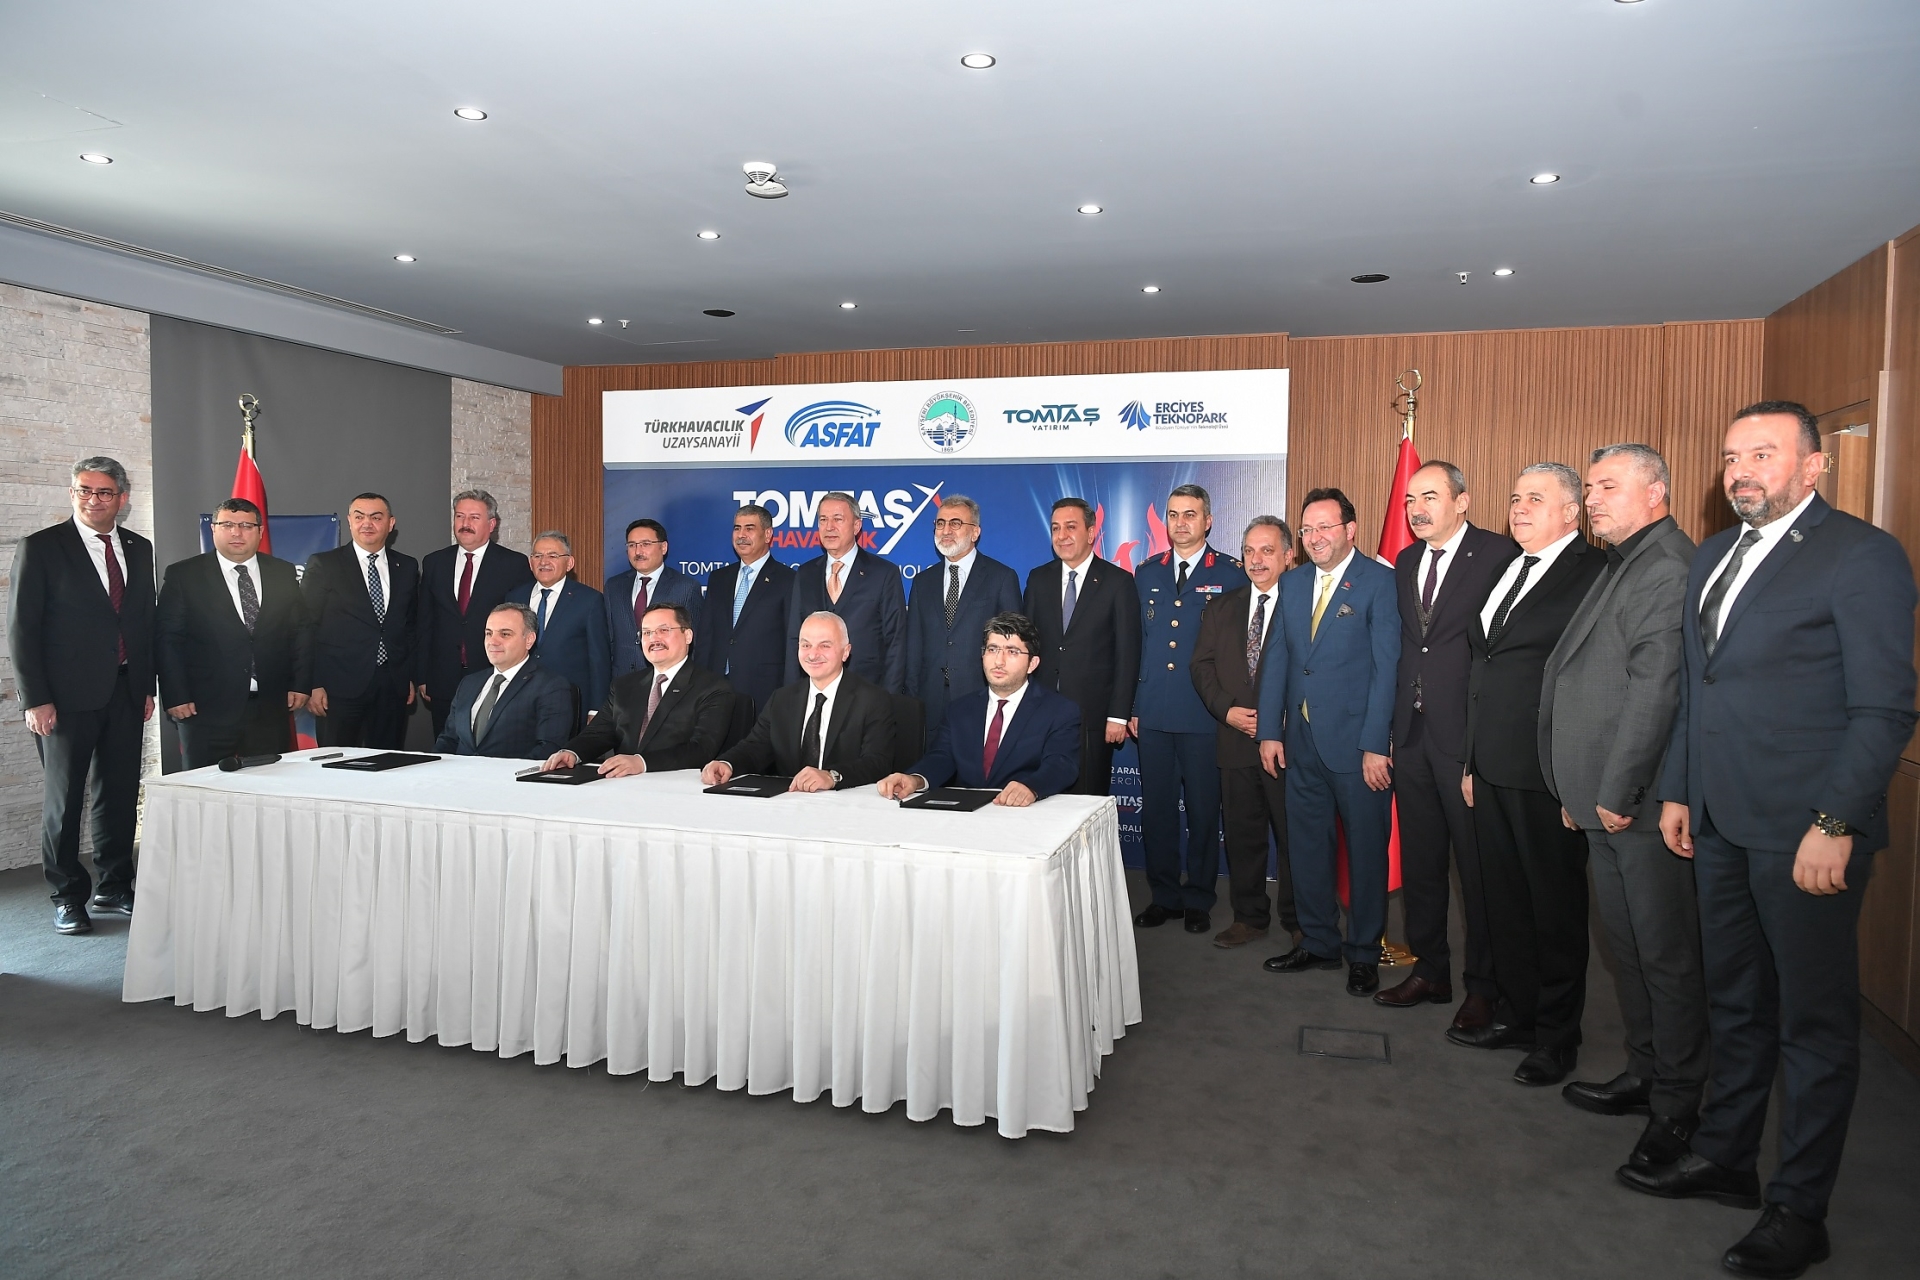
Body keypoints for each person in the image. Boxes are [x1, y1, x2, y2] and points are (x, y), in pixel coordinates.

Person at [1625, 402, 1918, 1280]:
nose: (1741, 471)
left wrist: (1836, 823)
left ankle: (1800, 1209)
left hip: (1805, 833)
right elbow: (1701, 689)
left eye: (1763, 453)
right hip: (1717, 820)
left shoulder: (1861, 555)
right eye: (1731, 456)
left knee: (1813, 1025)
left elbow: (1884, 709)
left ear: (1814, 466)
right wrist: (1679, 789)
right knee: (1737, 1002)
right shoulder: (1715, 554)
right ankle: (1726, 1158)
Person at [1538, 444, 1707, 1173]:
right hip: (1603, 799)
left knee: (1665, 957)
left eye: (1607, 486)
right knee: (1630, 950)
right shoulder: (1626, 560)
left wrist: (1614, 792)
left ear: (1656, 492)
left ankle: (1678, 1106)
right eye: (1590, 487)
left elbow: (1654, 691)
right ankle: (1645, 1073)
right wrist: (1579, 790)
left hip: (1635, 802)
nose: (1593, 499)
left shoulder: (1666, 565)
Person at [1456, 463, 1607, 1087]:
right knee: (1506, 903)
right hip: (1491, 766)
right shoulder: (1508, 567)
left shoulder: (1596, 574)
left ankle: (1557, 1036)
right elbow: (1483, 669)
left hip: (1548, 772)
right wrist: (1470, 760)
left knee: (1555, 909)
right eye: (1516, 497)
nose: (1518, 508)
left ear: (1571, 512)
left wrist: (1581, 777)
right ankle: (1517, 1016)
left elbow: (1600, 680)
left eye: (1535, 499)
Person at [1377, 462, 1518, 1024]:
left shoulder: (1499, 554)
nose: (1417, 509)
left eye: (1430, 497)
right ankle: (1430, 971)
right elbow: (1411, 647)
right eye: (1411, 499)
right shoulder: (1406, 561)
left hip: (1465, 738)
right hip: (1412, 736)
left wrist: (1481, 746)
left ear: (1462, 501)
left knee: (1478, 873)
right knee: (1422, 864)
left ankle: (1484, 986)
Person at [1256, 488, 1399, 995]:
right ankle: (1318, 941)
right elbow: (1278, 657)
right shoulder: (1292, 583)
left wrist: (1376, 743)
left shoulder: (1380, 582)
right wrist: (1269, 731)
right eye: (1307, 529)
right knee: (1307, 848)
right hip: (1300, 743)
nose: (1315, 537)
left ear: (1350, 530)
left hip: (1358, 749)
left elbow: (1387, 669)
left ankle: (1363, 952)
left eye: (1325, 527)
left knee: (1365, 853)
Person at [8, 456, 157, 933]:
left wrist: (146, 685)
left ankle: (115, 885)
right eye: (84, 490)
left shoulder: (139, 548)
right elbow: (22, 630)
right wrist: (35, 699)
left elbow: (142, 621)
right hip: (63, 699)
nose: (93, 499)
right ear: (72, 494)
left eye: (104, 492)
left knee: (119, 794)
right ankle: (67, 895)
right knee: (65, 800)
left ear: (122, 499)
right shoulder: (42, 547)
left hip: (126, 691)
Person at [1130, 485, 1249, 933]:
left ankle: (1199, 896)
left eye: (1191, 515)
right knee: (1157, 810)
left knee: (1202, 810)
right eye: (1174, 515)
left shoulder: (1232, 574)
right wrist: (1133, 706)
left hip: (1204, 713)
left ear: (1208, 521)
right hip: (1155, 712)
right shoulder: (1147, 573)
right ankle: (1163, 895)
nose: (1181, 523)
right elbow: (1138, 645)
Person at [1190, 515, 1300, 949]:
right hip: (1234, 739)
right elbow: (1201, 666)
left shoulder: (1304, 603)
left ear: (1288, 556)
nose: (1257, 560)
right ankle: (1249, 917)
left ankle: (1300, 920)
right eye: (1249, 551)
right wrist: (1226, 710)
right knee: (1242, 836)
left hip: (1289, 744)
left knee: (1294, 837)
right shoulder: (1223, 607)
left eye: (1267, 551)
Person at [156, 497, 312, 768]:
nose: (237, 533)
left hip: (270, 708)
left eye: (246, 526)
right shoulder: (185, 575)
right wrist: (176, 695)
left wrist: (300, 683)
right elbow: (168, 639)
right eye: (227, 525)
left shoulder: (282, 572)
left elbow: (300, 631)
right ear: (213, 529)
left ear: (260, 531)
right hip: (204, 709)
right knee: (205, 789)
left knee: (269, 786)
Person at [878, 611, 1080, 806]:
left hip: (1024, 815)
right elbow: (941, 758)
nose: (999, 661)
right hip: (967, 814)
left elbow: (1060, 764)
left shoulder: (1059, 711)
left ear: (1032, 664)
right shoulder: (959, 710)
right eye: (992, 649)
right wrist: (915, 779)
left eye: (1012, 651)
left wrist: (1032, 787)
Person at [1023, 497, 1142, 796]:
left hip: (1093, 717)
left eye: (1070, 527)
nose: (1061, 535)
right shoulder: (1038, 579)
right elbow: (1027, 645)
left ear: (1090, 533)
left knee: (1086, 801)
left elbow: (1128, 654)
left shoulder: (1118, 582)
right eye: (1055, 528)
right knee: (1042, 799)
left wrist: (1118, 715)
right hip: (1041, 714)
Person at [703, 611, 894, 792]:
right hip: (789, 801)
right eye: (806, 645)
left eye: (824, 646)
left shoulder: (872, 700)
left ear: (845, 652)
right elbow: (755, 747)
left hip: (845, 804)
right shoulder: (782, 698)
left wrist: (832, 776)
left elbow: (877, 762)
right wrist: (727, 763)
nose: (813, 654)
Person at [545, 602, 734, 776]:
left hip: (679, 788)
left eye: (664, 630)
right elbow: (598, 732)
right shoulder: (624, 685)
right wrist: (572, 752)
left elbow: (701, 749)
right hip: (623, 785)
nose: (654, 638)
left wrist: (642, 763)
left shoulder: (713, 688)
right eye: (646, 632)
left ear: (688, 636)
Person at [303, 492, 420, 749]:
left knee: (388, 761)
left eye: (376, 517)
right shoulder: (324, 565)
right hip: (338, 688)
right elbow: (305, 627)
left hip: (392, 687)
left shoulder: (407, 567)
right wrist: (313, 684)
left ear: (390, 523)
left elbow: (410, 626)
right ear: (349, 521)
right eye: (359, 517)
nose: (367, 523)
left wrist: (408, 676)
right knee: (337, 764)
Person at [416, 490, 533, 737]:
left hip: (493, 675)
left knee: (489, 745)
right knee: (446, 745)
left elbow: (522, 626)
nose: (465, 523)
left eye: (474, 517)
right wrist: (423, 674)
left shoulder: (513, 565)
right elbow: (425, 622)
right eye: (460, 516)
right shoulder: (434, 562)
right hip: (443, 677)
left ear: (491, 524)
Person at [904, 495, 1021, 733]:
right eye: (940, 523)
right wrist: (912, 698)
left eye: (955, 523)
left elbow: (1013, 645)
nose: (946, 530)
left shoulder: (1001, 578)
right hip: (930, 702)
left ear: (975, 532)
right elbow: (914, 645)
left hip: (981, 699)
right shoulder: (923, 582)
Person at [785, 492, 907, 693]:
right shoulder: (805, 573)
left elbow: (896, 641)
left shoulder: (883, 573)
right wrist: (792, 694)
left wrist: (889, 698)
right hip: (814, 691)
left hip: (867, 691)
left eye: (838, 519)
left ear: (857, 526)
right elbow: (794, 638)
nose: (829, 527)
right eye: (823, 520)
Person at [432, 603, 573, 759]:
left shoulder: (550, 686)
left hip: (513, 774)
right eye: (489, 633)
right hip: (459, 772)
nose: (493, 641)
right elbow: (448, 740)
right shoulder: (469, 683)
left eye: (505, 634)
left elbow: (548, 748)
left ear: (529, 640)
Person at [694, 504, 795, 717]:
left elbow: (792, 640)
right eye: (737, 528)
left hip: (764, 691)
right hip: (717, 689)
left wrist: (789, 694)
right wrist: (700, 684)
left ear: (768, 534)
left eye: (749, 528)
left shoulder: (789, 580)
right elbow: (706, 637)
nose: (741, 535)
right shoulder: (719, 578)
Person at [506, 530, 609, 731]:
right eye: (538, 556)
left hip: (569, 702)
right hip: (520, 702)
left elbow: (599, 660)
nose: (544, 562)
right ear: (530, 562)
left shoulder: (589, 600)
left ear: (569, 563)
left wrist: (596, 709)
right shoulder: (514, 597)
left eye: (552, 556)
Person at [606, 517, 700, 680]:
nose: (638, 551)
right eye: (632, 545)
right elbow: (609, 639)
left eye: (646, 544)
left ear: (663, 547)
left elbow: (696, 643)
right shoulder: (614, 586)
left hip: (668, 680)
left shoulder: (686, 587)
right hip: (622, 681)